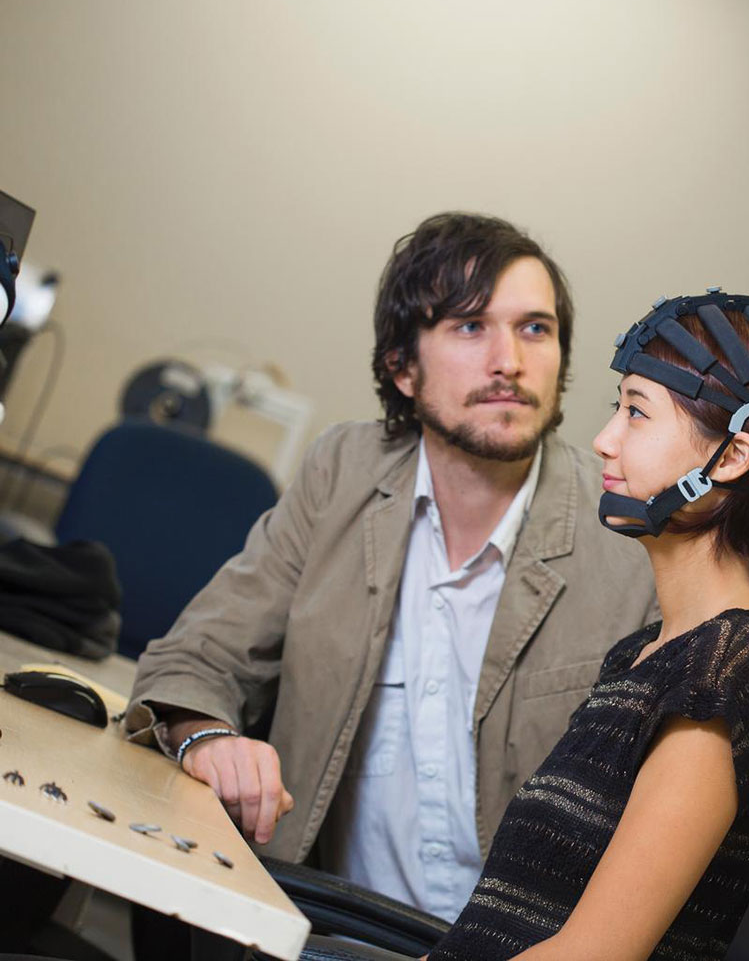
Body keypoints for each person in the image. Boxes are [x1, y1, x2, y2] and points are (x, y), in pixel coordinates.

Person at [124, 213, 657, 921]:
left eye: (535, 328)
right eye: (470, 327)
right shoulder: (343, 471)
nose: (510, 361)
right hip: (319, 923)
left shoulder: (633, 537)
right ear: (402, 368)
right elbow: (195, 657)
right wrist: (209, 737)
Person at [427, 291, 749, 960]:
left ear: (733, 457)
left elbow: (594, 955)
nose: (604, 439)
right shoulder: (648, 653)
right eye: (615, 408)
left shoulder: (730, 671)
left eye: (635, 412)